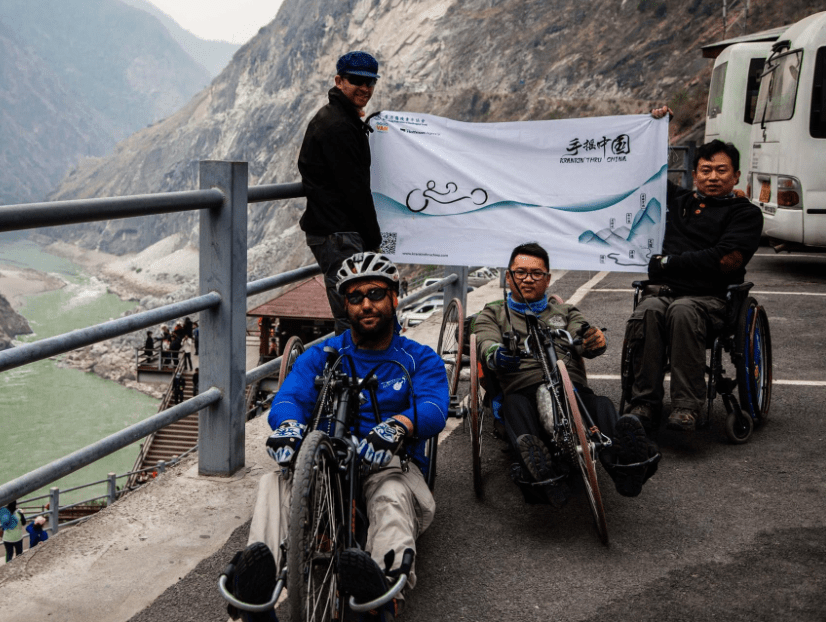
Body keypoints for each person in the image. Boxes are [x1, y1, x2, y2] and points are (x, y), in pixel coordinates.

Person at [221, 253, 448, 622]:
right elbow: (290, 398)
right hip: (327, 458)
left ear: (394, 297)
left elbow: (435, 408)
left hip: (387, 463)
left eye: (376, 293)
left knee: (391, 495)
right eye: (356, 297)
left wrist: (399, 425)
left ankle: (381, 597)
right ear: (346, 305)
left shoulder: (418, 358)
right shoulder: (323, 355)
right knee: (273, 484)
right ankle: (256, 594)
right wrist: (290, 426)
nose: (366, 304)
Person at [471, 243, 658, 504]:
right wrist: (497, 354)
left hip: (569, 384)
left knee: (600, 404)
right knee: (515, 408)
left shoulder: (565, 311)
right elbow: (484, 343)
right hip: (522, 384)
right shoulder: (492, 313)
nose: (527, 278)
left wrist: (595, 341)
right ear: (508, 277)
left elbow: (583, 335)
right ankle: (543, 477)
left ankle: (626, 466)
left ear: (548, 280)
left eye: (536, 273)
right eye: (520, 272)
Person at [625, 136, 764, 432]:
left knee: (683, 311)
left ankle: (687, 406)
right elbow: (645, 171)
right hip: (666, 293)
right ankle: (645, 402)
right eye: (705, 170)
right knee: (648, 309)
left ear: (736, 175)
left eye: (721, 170)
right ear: (694, 174)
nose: (713, 177)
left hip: (713, 299)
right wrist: (657, 127)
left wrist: (670, 263)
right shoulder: (678, 203)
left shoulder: (746, 214)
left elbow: (724, 259)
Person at [298, 51, 383, 335]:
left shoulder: (340, 119)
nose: (365, 88)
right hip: (338, 234)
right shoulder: (339, 126)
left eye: (370, 81)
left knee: (354, 314)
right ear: (339, 80)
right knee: (353, 316)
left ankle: (354, 373)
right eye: (357, 80)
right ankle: (350, 375)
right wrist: (373, 240)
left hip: (336, 232)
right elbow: (355, 190)